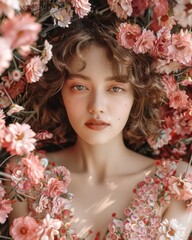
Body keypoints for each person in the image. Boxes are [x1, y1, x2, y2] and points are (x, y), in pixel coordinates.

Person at [8, 13, 192, 239]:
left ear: (136, 94)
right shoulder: (24, 176)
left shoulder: (178, 184)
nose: (96, 107)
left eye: (115, 88)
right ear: (60, 92)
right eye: (80, 87)